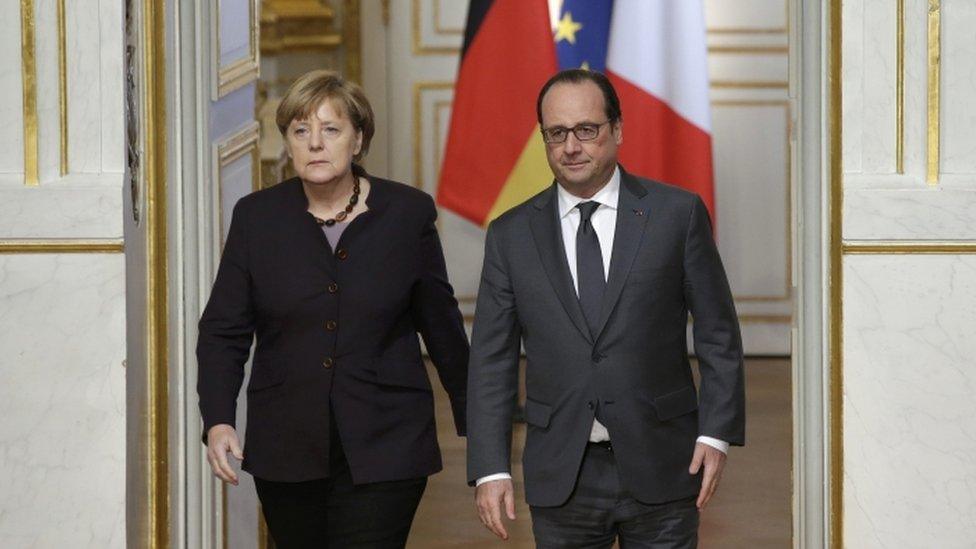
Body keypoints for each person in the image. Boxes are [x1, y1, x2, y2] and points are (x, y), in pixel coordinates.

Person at [466, 69, 745, 548]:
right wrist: (490, 467)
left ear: (617, 130)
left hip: (664, 460)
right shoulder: (511, 235)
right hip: (562, 473)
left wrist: (715, 433)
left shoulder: (676, 215)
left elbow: (718, 334)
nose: (571, 146)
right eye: (557, 133)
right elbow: (492, 360)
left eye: (586, 130)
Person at [197, 69, 468, 548]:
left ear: (358, 139)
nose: (315, 144)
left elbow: (441, 326)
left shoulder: (407, 214)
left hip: (388, 439)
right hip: (286, 444)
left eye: (331, 129)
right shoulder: (257, 218)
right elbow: (224, 330)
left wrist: (480, 425)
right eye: (301, 131)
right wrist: (218, 418)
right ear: (288, 143)